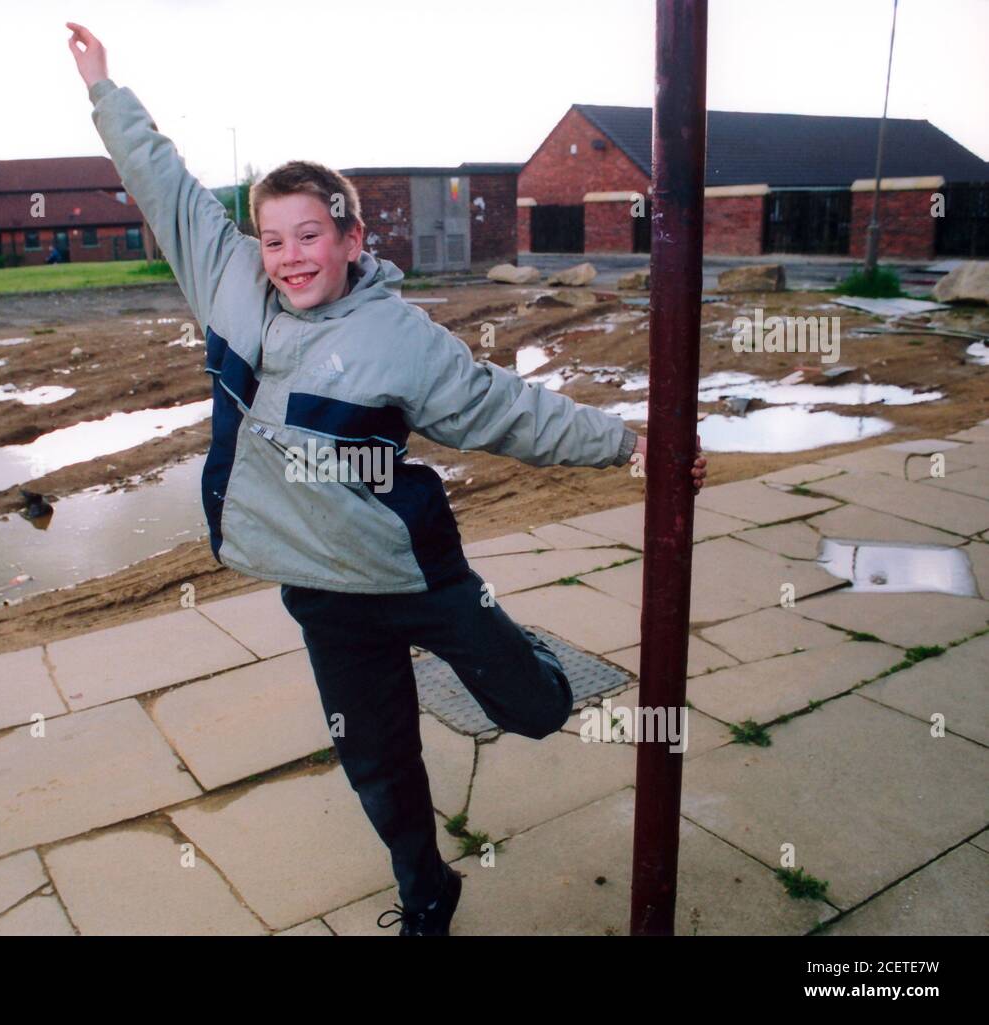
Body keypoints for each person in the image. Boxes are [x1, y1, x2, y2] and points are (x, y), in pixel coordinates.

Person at [67, 21, 707, 936]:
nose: (289, 257)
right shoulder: (231, 285)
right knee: (376, 760)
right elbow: (162, 183)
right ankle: (426, 892)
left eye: (310, 236)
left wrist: (626, 444)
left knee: (532, 709)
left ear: (353, 238)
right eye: (273, 239)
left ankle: (525, 658)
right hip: (324, 592)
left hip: (413, 573)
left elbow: (506, 410)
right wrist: (105, 90)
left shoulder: (399, 338)